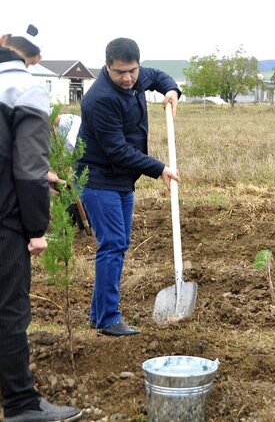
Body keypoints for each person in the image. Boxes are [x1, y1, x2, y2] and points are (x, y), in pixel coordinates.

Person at [0, 28, 82, 420]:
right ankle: (21, 406)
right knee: (9, 311)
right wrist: (36, 229)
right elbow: (29, 168)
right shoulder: (24, 88)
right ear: (28, 59)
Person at [77, 37, 181, 337]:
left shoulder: (136, 79)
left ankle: (98, 315)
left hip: (122, 181)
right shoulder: (99, 100)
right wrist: (159, 168)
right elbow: (118, 151)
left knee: (118, 244)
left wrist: (171, 91)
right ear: (107, 66)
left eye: (132, 71)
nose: (127, 78)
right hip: (98, 179)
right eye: (120, 72)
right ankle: (108, 318)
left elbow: (159, 77)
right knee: (112, 245)